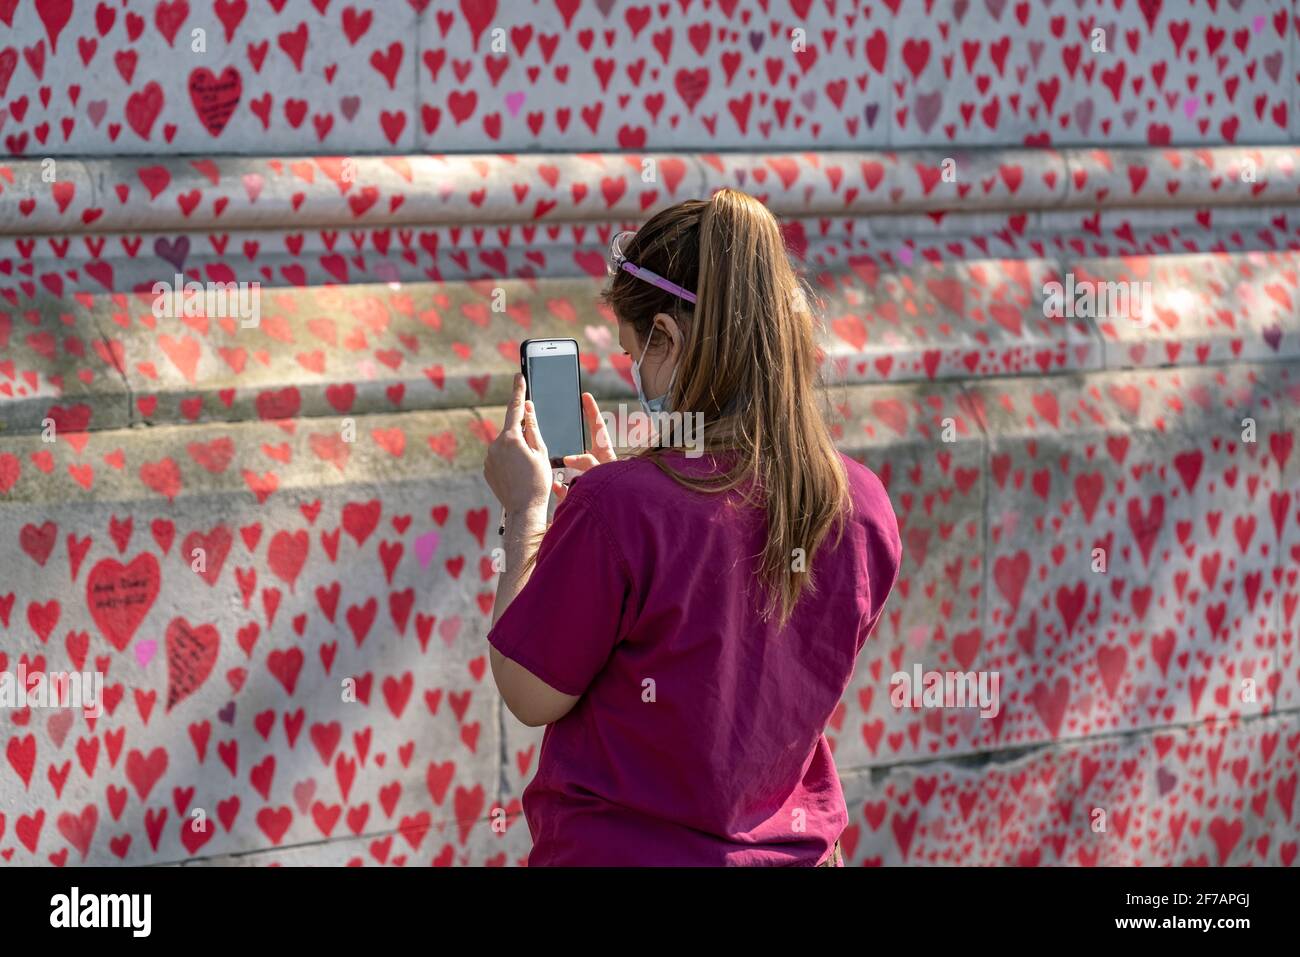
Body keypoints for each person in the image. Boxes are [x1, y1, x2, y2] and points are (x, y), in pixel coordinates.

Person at [482, 188, 902, 866]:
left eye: (633, 353)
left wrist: (527, 513)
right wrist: (628, 508)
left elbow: (528, 690)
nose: (634, 375)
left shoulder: (620, 509)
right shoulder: (865, 506)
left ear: (670, 338)